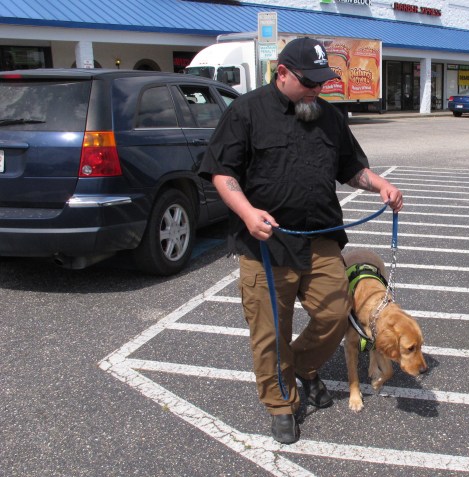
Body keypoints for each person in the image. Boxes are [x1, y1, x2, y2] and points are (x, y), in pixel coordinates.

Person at [198, 37, 403, 445]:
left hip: (320, 237)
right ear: (284, 73)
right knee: (270, 330)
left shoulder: (328, 116)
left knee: (335, 313)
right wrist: (246, 211)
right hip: (264, 244)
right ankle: (280, 403)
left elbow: (351, 168)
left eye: (322, 81)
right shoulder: (247, 111)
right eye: (309, 81)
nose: (317, 89)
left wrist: (378, 183)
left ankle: (302, 367)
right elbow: (222, 173)